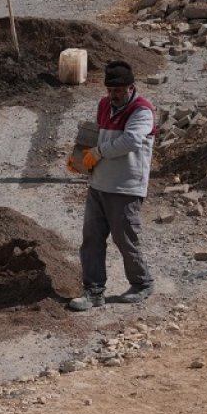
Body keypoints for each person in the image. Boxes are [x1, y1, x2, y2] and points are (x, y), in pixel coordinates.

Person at [68, 61, 157, 311]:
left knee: (125, 239)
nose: (113, 95)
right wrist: (80, 156)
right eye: (110, 90)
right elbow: (97, 133)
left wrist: (98, 152)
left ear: (131, 88)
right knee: (92, 239)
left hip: (125, 187)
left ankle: (142, 283)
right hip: (98, 185)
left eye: (118, 91)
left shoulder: (142, 111)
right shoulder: (104, 105)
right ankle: (93, 291)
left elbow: (131, 141)